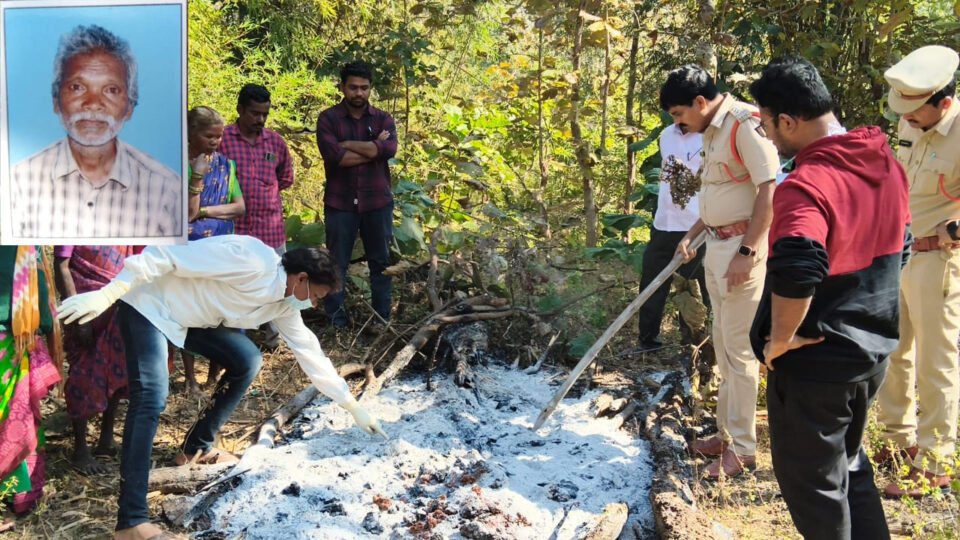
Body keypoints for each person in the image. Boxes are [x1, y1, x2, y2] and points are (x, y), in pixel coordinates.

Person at [55, 235, 386, 540]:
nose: (313, 304)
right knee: (151, 398)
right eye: (316, 296)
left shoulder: (284, 305)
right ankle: (131, 522)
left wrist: (350, 404)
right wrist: (109, 293)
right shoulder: (252, 259)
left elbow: (309, 351)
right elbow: (164, 256)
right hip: (150, 306)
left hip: (190, 319)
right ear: (301, 278)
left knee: (247, 359)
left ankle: (194, 447)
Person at [748, 56, 910, 540]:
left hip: (818, 365)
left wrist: (780, 338)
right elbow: (902, 243)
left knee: (816, 489)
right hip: (871, 351)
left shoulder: (807, 184)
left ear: (788, 121)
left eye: (766, 125)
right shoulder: (883, 161)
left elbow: (798, 265)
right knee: (850, 466)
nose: (768, 136)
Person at [665, 65, 779, 478]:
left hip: (740, 248)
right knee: (723, 345)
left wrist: (748, 251)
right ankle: (726, 434)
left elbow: (769, 188)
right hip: (715, 245)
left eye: (679, 114)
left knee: (740, 350)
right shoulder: (711, 129)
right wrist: (692, 234)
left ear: (700, 102)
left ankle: (744, 450)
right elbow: (718, 192)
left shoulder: (743, 124)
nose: (678, 124)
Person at [875, 45, 960, 498]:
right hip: (899, 254)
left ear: (943, 102)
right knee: (895, 350)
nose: (905, 117)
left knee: (935, 360)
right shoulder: (910, 125)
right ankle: (897, 438)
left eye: (915, 110)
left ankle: (934, 460)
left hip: (939, 261)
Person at [9, 24, 181, 240]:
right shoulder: (18, 183)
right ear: (56, 101)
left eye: (111, 90)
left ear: (129, 107)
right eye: (77, 87)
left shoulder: (167, 189)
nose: (93, 103)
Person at [316, 61, 398, 329]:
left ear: (371, 88)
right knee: (336, 263)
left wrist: (349, 144)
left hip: (377, 201)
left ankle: (381, 318)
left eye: (364, 87)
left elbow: (389, 150)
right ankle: (336, 322)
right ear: (342, 87)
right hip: (340, 202)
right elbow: (335, 157)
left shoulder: (383, 119)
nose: (359, 93)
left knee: (381, 262)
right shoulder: (328, 119)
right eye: (353, 87)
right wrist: (374, 148)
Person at [54, 245, 142, 475]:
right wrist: (80, 318)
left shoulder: (125, 226)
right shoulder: (72, 225)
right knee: (83, 376)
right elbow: (61, 266)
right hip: (84, 309)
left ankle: (106, 438)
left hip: (119, 303)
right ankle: (80, 450)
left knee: (117, 370)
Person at [219, 83, 293, 348]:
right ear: (240, 109)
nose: (260, 119)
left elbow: (285, 177)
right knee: (236, 284)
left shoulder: (275, 142)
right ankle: (236, 341)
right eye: (254, 113)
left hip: (270, 228)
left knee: (277, 282)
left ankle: (275, 339)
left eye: (264, 114)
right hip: (235, 229)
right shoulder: (222, 140)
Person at [183, 105, 245, 393]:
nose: (215, 142)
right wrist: (196, 177)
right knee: (188, 310)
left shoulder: (225, 165)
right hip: (189, 250)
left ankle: (214, 375)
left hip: (220, 248)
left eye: (218, 136)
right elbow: (187, 214)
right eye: (209, 136)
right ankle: (190, 378)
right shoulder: (179, 165)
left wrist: (206, 211)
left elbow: (239, 207)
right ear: (191, 132)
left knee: (219, 310)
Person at [0, 247, 62, 527]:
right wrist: (46, 325)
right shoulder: (23, 240)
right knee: (16, 419)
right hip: (14, 339)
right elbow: (43, 311)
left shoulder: (24, 241)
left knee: (15, 418)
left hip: (14, 338)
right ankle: (16, 495)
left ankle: (15, 494)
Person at [637, 123, 708, 350]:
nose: (677, 117)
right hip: (663, 223)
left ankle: (694, 344)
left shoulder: (710, 136)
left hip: (695, 226)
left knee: (694, 288)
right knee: (652, 283)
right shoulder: (667, 134)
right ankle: (647, 341)